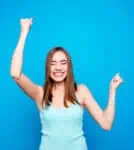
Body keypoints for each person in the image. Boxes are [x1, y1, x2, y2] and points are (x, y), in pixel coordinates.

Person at [10, 18, 123, 150]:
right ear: (48, 67)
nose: (58, 68)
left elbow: (106, 124)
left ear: (69, 66)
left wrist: (112, 91)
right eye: (53, 63)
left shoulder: (81, 91)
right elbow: (15, 73)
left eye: (63, 63)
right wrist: (24, 33)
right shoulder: (40, 93)